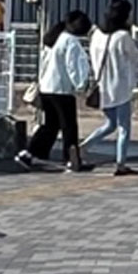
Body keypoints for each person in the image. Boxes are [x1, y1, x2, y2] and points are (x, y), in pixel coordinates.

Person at [20, 10, 93, 171]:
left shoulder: (53, 39)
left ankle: (30, 153)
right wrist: (81, 85)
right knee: (69, 126)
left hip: (47, 87)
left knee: (50, 125)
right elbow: (73, 66)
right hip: (62, 90)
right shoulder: (71, 41)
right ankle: (71, 159)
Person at [82, 0, 138, 177]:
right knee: (124, 127)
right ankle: (120, 164)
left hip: (102, 87)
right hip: (120, 88)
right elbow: (134, 57)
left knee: (110, 124)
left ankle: (83, 146)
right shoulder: (123, 37)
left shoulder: (96, 35)